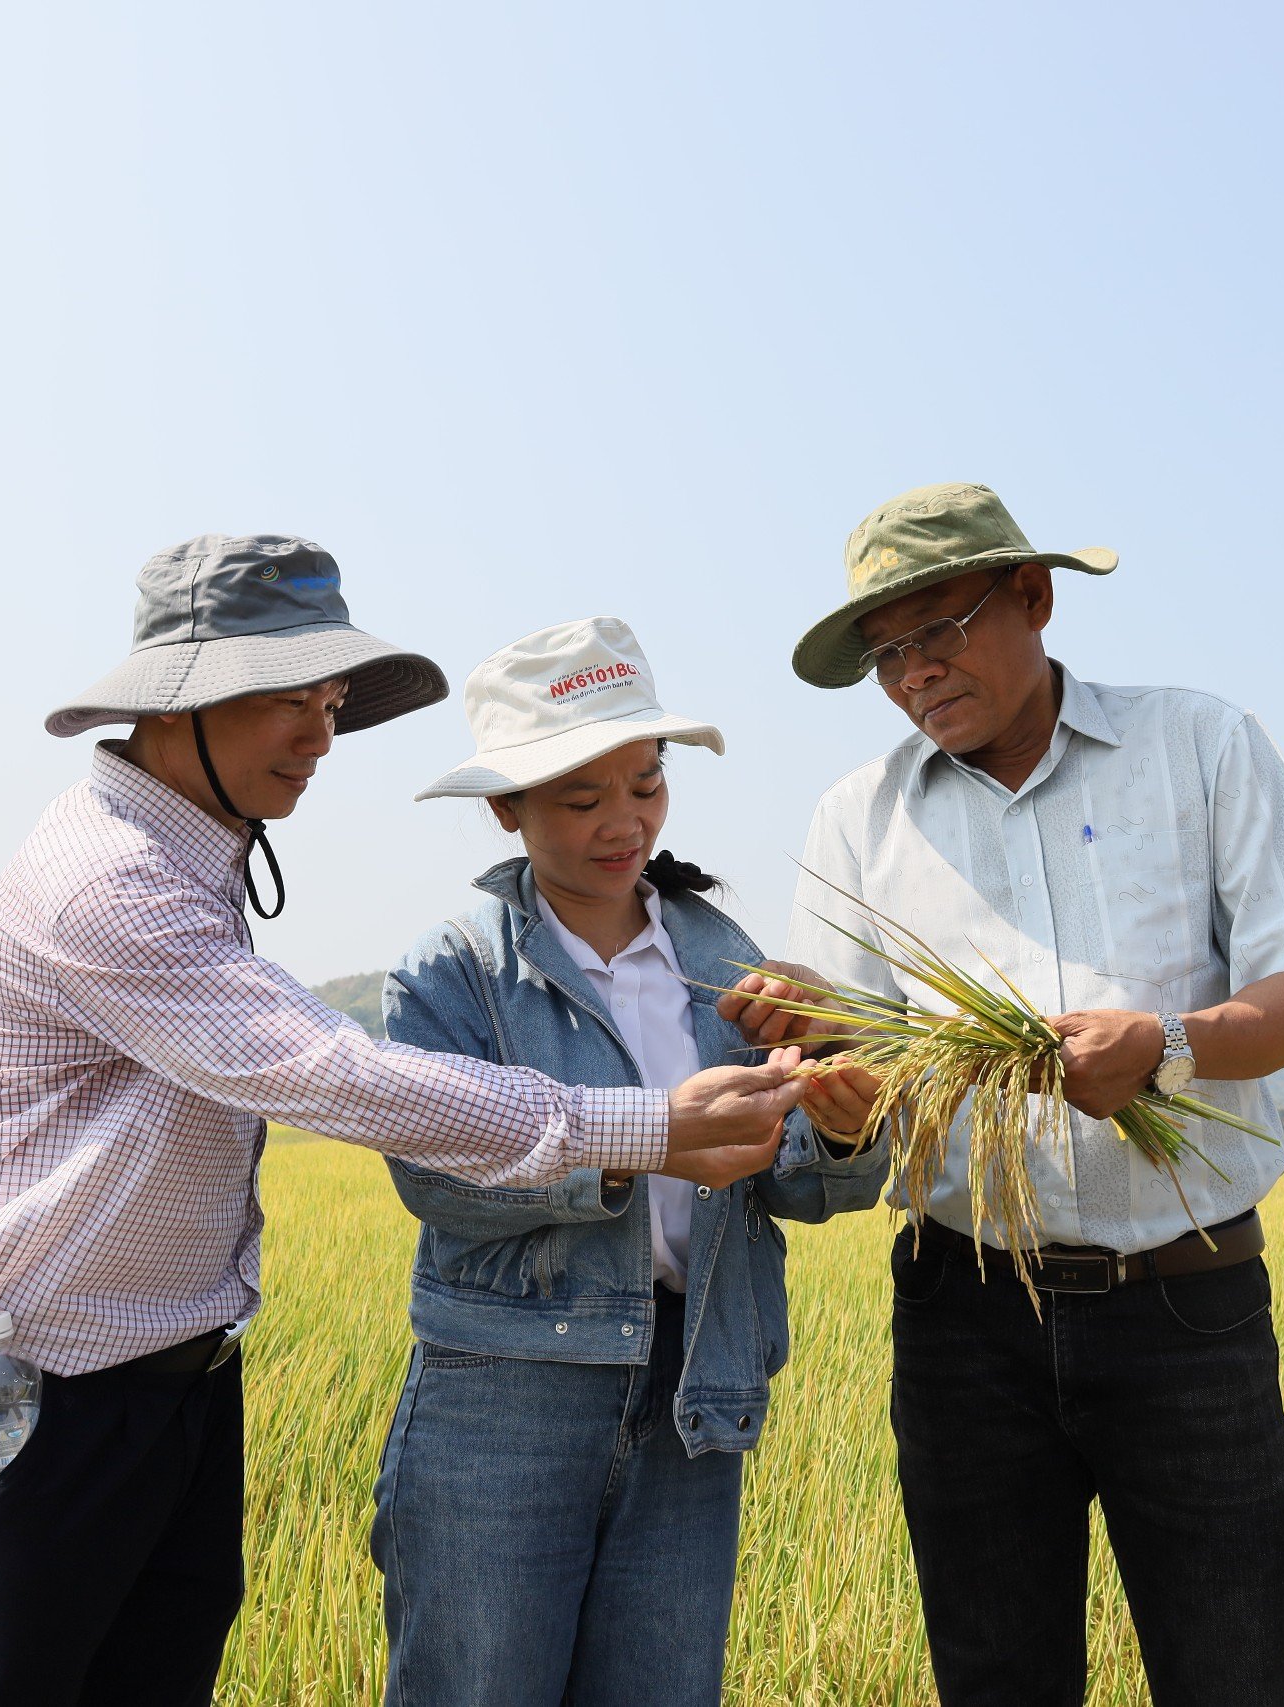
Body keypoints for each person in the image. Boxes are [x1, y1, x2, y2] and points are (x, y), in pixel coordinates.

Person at [0, 537, 807, 1707]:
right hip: (44, 1389)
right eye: (280, 701)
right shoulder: (111, 881)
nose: (319, 736)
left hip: (176, 1381)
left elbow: (803, 1175)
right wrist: (646, 1130)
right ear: (177, 703)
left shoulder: (197, 860)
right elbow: (326, 1072)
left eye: (331, 700)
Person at [725, 484, 1284, 1706]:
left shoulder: (1199, 744)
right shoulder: (857, 819)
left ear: (1034, 596)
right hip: (962, 1313)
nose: (914, 674)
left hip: (1188, 1306)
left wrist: (1165, 1046)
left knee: (1230, 1673)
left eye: (938, 631)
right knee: (994, 1677)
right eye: (885, 655)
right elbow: (864, 1093)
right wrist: (822, 1080)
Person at [369, 617, 891, 1707]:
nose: (625, 823)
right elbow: (439, 1181)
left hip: (693, 1391)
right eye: (580, 799)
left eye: (646, 785)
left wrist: (842, 1127)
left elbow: (798, 1181)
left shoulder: (727, 964)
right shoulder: (454, 971)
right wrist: (648, 1142)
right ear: (505, 810)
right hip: (503, 1394)